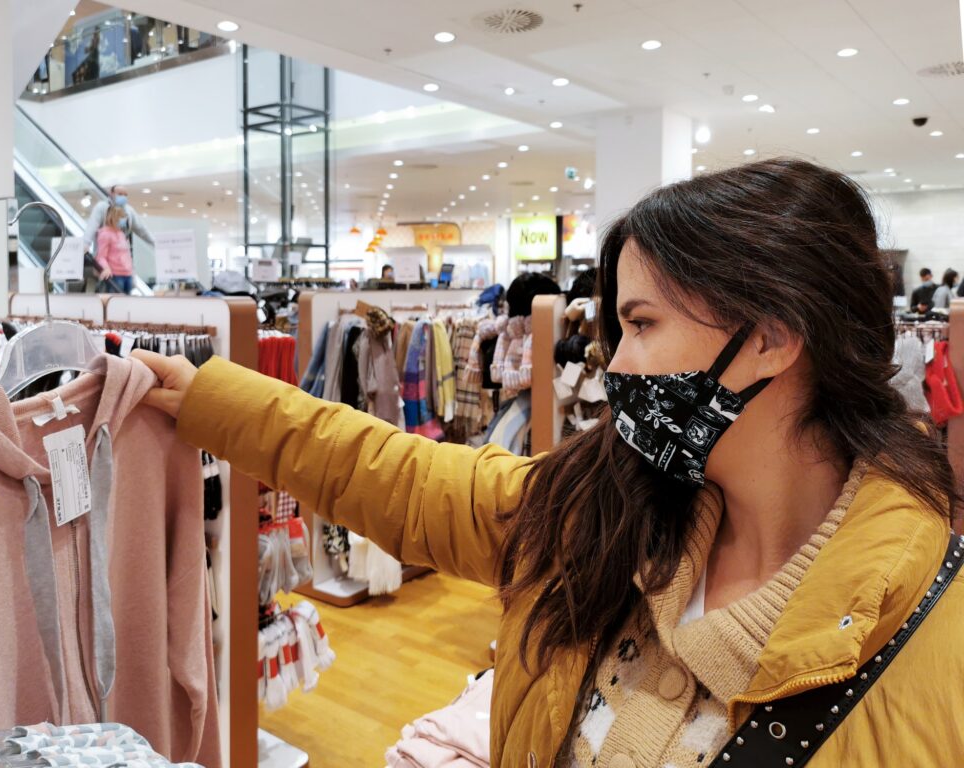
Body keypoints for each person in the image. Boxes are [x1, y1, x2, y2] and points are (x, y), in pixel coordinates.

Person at [132, 159, 964, 767]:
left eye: (641, 324)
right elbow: (399, 476)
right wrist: (212, 398)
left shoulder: (933, 638)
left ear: (775, 337)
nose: (620, 365)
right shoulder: (604, 511)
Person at [83, 184, 155, 283]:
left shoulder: (129, 211)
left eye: (125, 195)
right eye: (120, 194)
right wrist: (86, 244)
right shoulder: (102, 207)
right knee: (111, 290)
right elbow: (92, 226)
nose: (123, 197)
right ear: (111, 194)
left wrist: (155, 243)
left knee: (126, 290)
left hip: (123, 263)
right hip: (106, 262)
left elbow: (142, 230)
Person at [95, 205, 134, 294]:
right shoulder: (105, 234)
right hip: (116, 275)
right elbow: (101, 256)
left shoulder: (121, 234)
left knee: (128, 304)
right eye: (121, 217)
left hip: (127, 274)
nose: (124, 220)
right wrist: (106, 268)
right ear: (114, 217)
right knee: (116, 304)